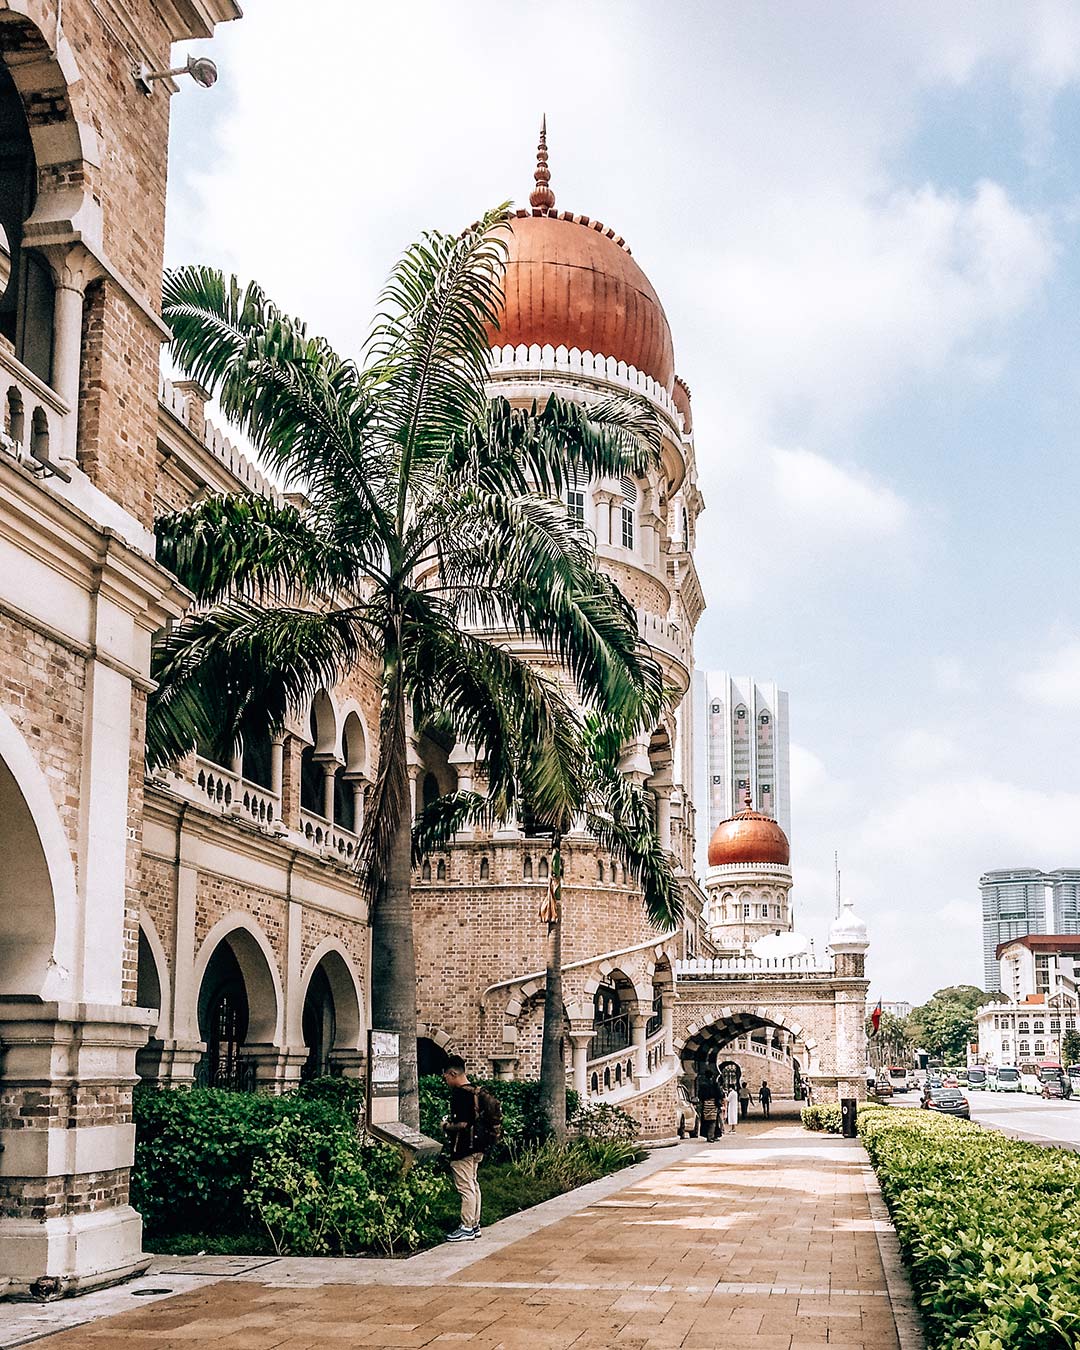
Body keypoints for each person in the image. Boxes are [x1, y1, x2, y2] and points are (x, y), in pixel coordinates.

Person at [440, 1055, 502, 1243]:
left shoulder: (461, 1094)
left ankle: (466, 1226)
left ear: (453, 1073)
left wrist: (445, 1126)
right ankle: (474, 1225)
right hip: (479, 1145)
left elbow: (462, 1124)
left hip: (464, 1147)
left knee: (465, 1187)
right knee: (473, 1184)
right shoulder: (477, 1091)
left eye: (446, 1077)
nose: (446, 1081)